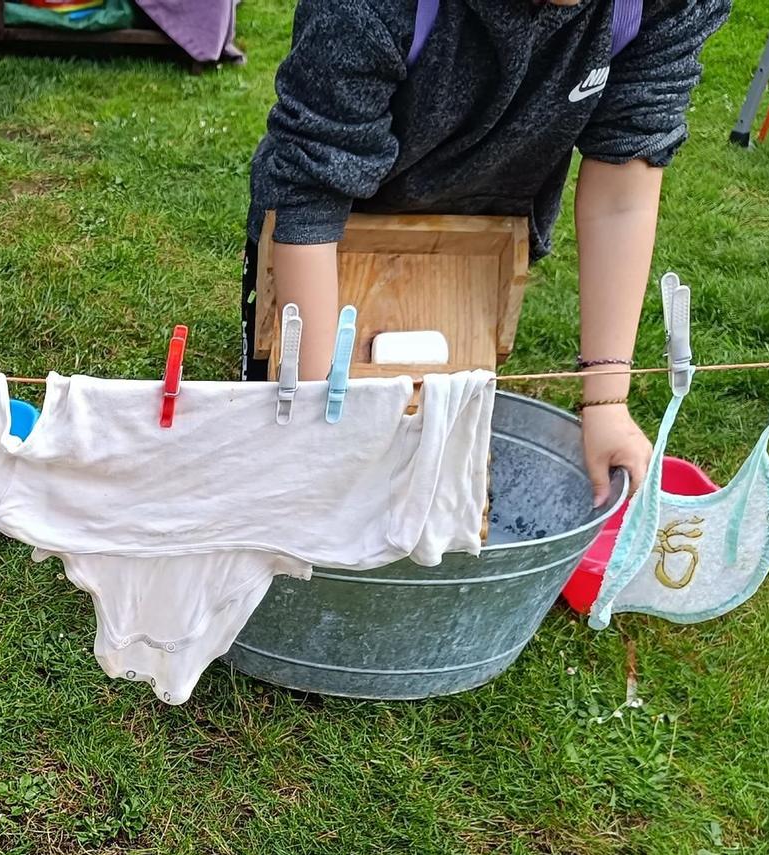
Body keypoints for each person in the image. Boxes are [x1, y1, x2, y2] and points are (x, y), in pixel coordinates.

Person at [244, 0, 732, 502]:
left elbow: (624, 184)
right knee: (289, 458)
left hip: (480, 250)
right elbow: (312, 193)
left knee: (439, 473)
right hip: (327, 237)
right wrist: (318, 405)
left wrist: (606, 398)